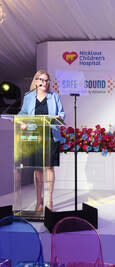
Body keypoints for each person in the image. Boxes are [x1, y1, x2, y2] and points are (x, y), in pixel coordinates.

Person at [18, 70, 65, 211]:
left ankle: (49, 200)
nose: (45, 83)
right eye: (42, 80)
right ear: (36, 81)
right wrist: (21, 121)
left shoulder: (54, 97)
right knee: (38, 169)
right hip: (35, 136)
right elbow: (23, 113)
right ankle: (39, 201)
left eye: (47, 80)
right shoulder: (28, 97)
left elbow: (62, 113)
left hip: (50, 135)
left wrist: (59, 116)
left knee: (49, 167)